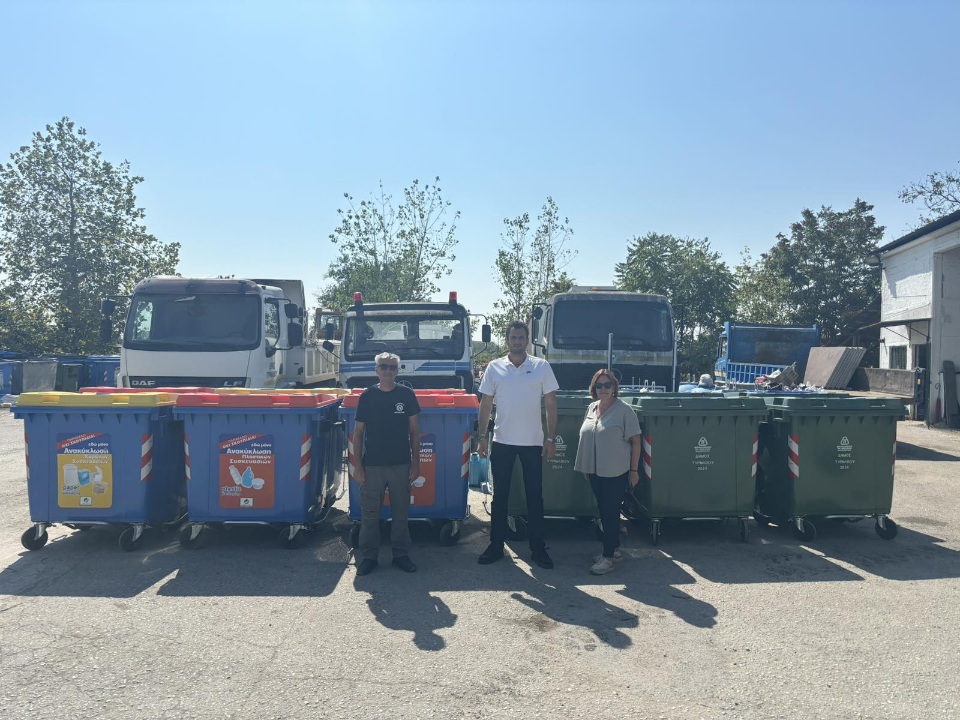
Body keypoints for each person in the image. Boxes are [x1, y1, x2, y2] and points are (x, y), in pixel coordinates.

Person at [476, 321, 559, 569]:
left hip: (532, 444)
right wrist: (482, 437)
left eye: (521, 338)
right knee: (500, 497)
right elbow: (486, 404)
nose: (517, 342)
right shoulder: (494, 367)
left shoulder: (541, 367)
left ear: (527, 340)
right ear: (507, 340)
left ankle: (538, 549)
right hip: (502, 442)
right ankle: (495, 546)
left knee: (535, 497)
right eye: (513, 337)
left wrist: (551, 438)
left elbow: (551, 404)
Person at [351, 352, 421, 576]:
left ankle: (401, 555)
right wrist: (357, 466)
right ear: (376, 370)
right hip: (372, 465)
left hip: (401, 464)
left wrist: (416, 463)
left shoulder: (406, 395)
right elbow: (358, 432)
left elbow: (414, 431)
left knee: (401, 514)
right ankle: (369, 557)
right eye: (384, 366)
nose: (388, 371)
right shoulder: (367, 396)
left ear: (398, 371)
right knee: (370, 515)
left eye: (392, 367)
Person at [573, 369, 641, 575]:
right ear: (594, 388)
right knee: (604, 512)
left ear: (614, 387)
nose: (603, 389)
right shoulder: (592, 407)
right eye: (599, 385)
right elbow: (588, 436)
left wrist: (634, 470)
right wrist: (587, 466)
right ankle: (614, 549)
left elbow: (636, 441)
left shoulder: (624, 410)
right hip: (595, 471)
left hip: (615, 471)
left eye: (607, 385)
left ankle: (608, 558)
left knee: (611, 513)